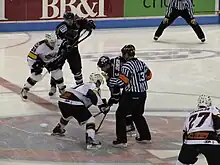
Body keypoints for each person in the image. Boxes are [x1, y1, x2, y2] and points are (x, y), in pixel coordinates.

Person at [108, 44, 152, 147]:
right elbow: (149, 75)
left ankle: (122, 140)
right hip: (142, 94)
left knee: (120, 114)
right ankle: (145, 137)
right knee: (137, 115)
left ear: (126, 54)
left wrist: (111, 80)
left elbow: (123, 82)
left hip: (132, 94)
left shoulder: (126, 66)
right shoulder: (141, 63)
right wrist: (139, 81)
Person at [51, 73, 110, 150]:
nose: (99, 85)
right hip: (74, 102)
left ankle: (58, 129)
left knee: (68, 115)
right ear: (96, 81)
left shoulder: (83, 85)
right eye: (99, 82)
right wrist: (102, 106)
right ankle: (90, 139)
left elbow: (88, 99)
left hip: (62, 101)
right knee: (90, 119)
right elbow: (92, 94)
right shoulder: (92, 85)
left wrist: (101, 104)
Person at [49, 11, 96, 96]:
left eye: (71, 19)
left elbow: (85, 22)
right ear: (64, 19)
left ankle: (80, 87)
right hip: (62, 50)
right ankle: (53, 86)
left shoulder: (77, 23)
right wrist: (66, 45)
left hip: (73, 51)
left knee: (77, 69)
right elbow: (59, 40)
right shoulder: (61, 27)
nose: (70, 21)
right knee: (56, 68)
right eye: (68, 19)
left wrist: (90, 24)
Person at [97, 55, 136, 137]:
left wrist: (109, 103)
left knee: (123, 105)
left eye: (102, 67)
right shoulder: (112, 63)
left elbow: (116, 95)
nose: (101, 69)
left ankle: (129, 125)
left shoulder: (113, 73)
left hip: (132, 84)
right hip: (132, 80)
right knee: (123, 102)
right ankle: (129, 124)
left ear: (107, 65)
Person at [176, 94, 220, 165]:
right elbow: (218, 121)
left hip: (190, 141)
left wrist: (186, 147)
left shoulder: (191, 114)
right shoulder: (213, 109)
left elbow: (185, 132)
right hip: (209, 140)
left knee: (181, 163)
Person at [20, 33, 66, 100]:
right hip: (40, 61)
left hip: (51, 61)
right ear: (47, 40)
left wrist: (59, 58)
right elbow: (30, 57)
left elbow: (65, 47)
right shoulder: (39, 46)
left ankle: (62, 89)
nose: (53, 44)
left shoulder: (59, 42)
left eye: (54, 42)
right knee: (36, 76)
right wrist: (35, 66)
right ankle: (25, 89)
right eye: (51, 42)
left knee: (58, 73)